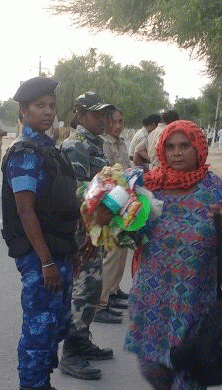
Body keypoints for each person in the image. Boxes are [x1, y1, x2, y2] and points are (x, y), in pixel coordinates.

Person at [124, 120, 222, 390]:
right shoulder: (148, 187)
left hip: (196, 303)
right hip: (151, 299)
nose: (177, 153)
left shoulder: (219, 189)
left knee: (189, 376)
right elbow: (129, 232)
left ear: (198, 148)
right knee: (153, 368)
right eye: (170, 147)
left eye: (184, 146)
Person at [2, 76, 77, 390]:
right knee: (39, 330)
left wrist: (71, 252)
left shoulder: (49, 148)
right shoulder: (25, 153)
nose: (47, 111)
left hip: (58, 251)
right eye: (39, 106)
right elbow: (25, 210)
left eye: (51, 105)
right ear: (23, 110)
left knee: (55, 323)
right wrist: (46, 262)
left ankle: (42, 381)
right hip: (38, 256)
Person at [58, 91, 115, 380]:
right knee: (85, 288)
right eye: (96, 114)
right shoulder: (75, 145)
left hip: (97, 225)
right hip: (84, 229)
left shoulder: (95, 143)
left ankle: (83, 339)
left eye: (105, 114)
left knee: (93, 286)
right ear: (79, 112)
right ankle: (72, 352)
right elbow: (80, 194)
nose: (103, 120)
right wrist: (90, 234)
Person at [95, 108, 131, 324]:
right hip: (110, 203)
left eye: (120, 121)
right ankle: (100, 302)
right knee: (111, 253)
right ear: (106, 123)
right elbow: (105, 178)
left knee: (122, 250)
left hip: (125, 201)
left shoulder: (121, 142)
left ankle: (114, 291)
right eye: (114, 122)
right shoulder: (103, 144)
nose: (118, 125)